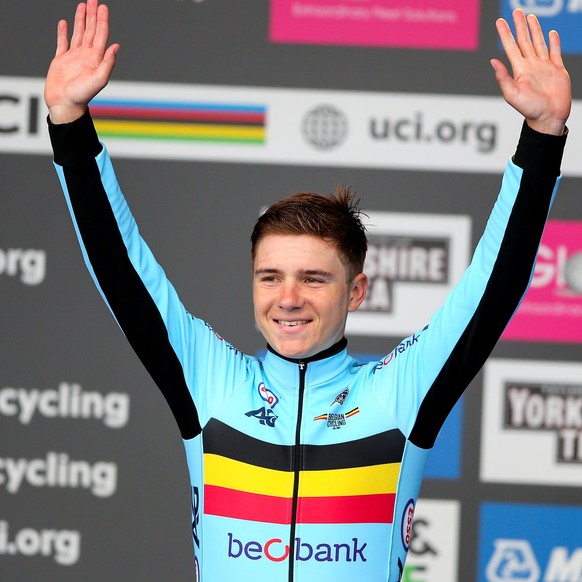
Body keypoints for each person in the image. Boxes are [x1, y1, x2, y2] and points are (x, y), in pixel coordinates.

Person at [44, 1, 571, 580]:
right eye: (270, 277)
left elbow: (493, 288)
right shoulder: (210, 382)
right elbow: (123, 274)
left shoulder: (398, 393)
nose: (287, 298)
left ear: (357, 291)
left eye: (314, 278)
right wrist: (70, 123)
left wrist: (543, 136)